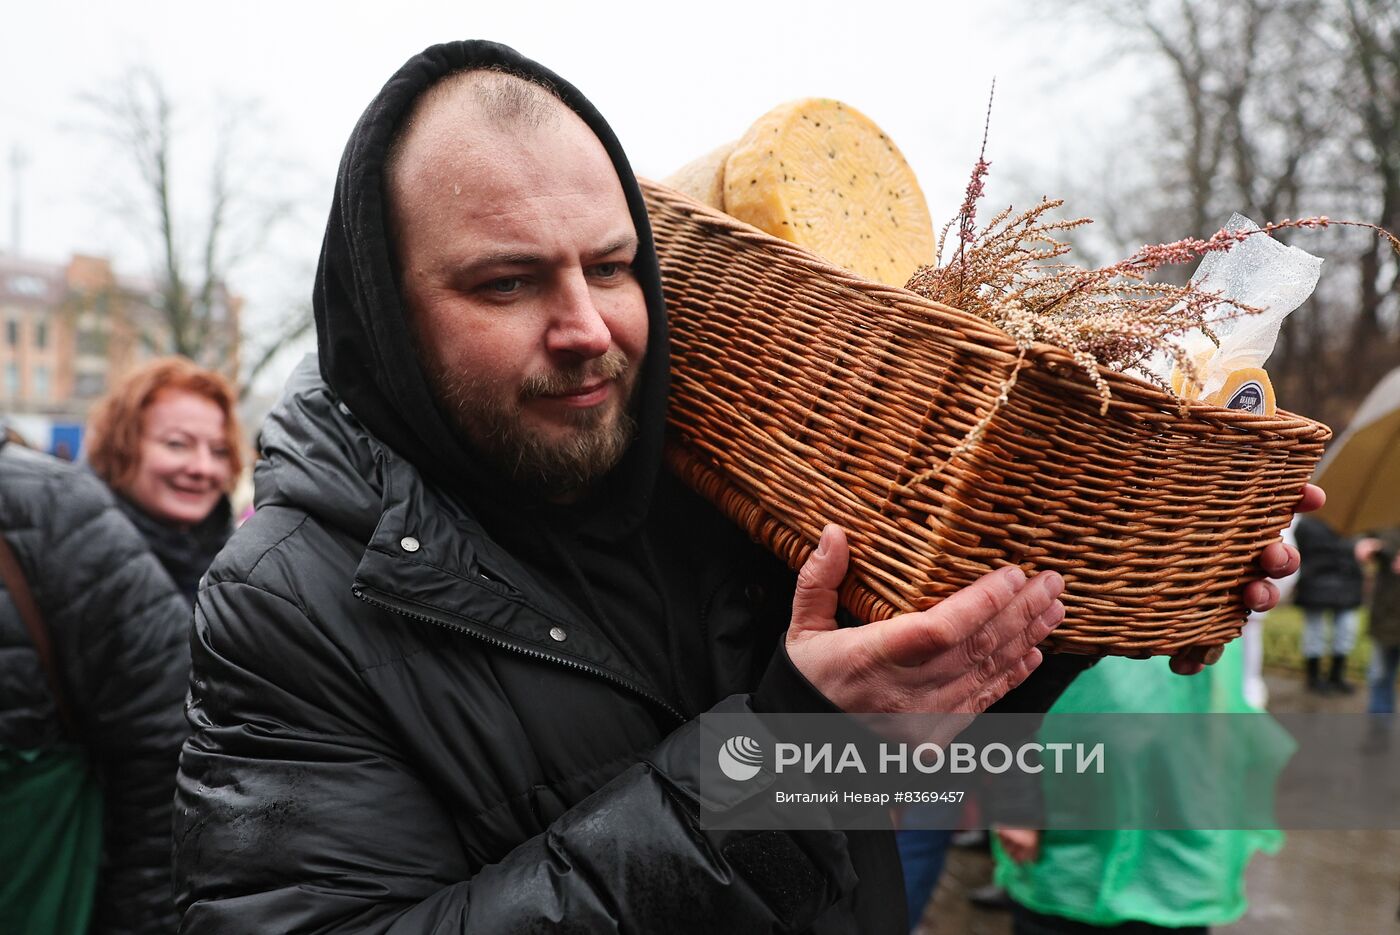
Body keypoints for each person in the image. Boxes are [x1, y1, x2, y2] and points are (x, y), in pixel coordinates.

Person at [172, 41, 1315, 932]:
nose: (587, 329)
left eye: (611, 266)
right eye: (506, 282)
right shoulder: (287, 598)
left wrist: (1086, 597)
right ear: (386, 313)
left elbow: (916, 741)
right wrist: (780, 761)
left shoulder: (731, 471)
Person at [0, 431, 190, 933]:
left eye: (218, 450)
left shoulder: (51, 511)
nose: (198, 467)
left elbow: (165, 744)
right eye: (178, 443)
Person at [990, 641, 1289, 935]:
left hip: (1176, 854)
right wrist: (1015, 800)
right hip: (1067, 845)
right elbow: (1017, 704)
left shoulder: (1209, 611)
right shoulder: (1076, 611)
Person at [84, 357, 243, 605]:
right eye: (177, 444)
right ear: (120, 446)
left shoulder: (245, 568)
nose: (203, 467)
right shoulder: (65, 560)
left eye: (219, 451)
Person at [1293, 516, 1364, 693]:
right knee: (1315, 632)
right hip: (1318, 584)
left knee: (1345, 631)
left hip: (1345, 586)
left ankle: (1336, 676)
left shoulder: (1352, 524)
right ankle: (1314, 677)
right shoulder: (1308, 524)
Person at [1356, 529, 1400, 714]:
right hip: (1386, 616)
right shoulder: (1386, 522)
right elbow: (1363, 541)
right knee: (1380, 675)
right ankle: (1379, 725)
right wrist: (1365, 546)